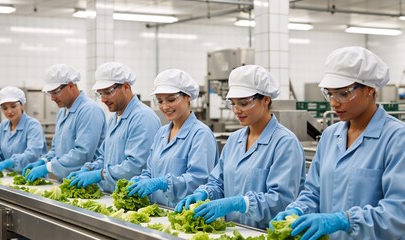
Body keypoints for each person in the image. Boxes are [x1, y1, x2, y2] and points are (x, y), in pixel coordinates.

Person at [271, 47, 405, 239]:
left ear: (369, 90)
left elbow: (399, 212)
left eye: (343, 94)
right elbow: (313, 191)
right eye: (330, 94)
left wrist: (346, 220)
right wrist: (298, 209)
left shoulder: (397, 138)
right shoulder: (330, 135)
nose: (334, 103)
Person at [175, 65, 305, 230]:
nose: (237, 110)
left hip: (264, 233)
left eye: (243, 103)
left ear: (266, 100)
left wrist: (240, 203)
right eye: (233, 104)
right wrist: (205, 193)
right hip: (233, 231)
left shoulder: (285, 143)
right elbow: (218, 182)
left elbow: (281, 201)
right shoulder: (234, 140)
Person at [126, 69, 219, 207]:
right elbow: (150, 170)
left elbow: (199, 179)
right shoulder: (162, 133)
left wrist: (164, 183)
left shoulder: (200, 134)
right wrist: (141, 179)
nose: (165, 106)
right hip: (159, 212)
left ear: (188, 97)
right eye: (160, 101)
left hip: (184, 214)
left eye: (171, 100)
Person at [67, 62, 161, 192]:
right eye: (100, 94)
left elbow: (136, 166)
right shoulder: (114, 119)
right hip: (112, 195)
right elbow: (103, 156)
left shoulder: (142, 118)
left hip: (133, 198)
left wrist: (99, 174)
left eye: (108, 92)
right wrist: (89, 168)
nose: (103, 99)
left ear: (126, 87)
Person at [23, 64, 106, 181]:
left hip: (86, 185)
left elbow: (82, 153)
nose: (52, 98)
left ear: (71, 85)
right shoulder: (62, 112)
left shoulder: (89, 110)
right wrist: (44, 161)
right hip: (65, 183)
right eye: (50, 93)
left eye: (55, 92)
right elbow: (56, 148)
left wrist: (48, 167)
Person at [0, 86, 47, 176]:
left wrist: (10, 162)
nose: (9, 111)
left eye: (13, 106)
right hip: (11, 178)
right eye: (5, 108)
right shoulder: (3, 126)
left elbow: (32, 154)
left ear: (21, 105)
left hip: (33, 177)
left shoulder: (33, 125)